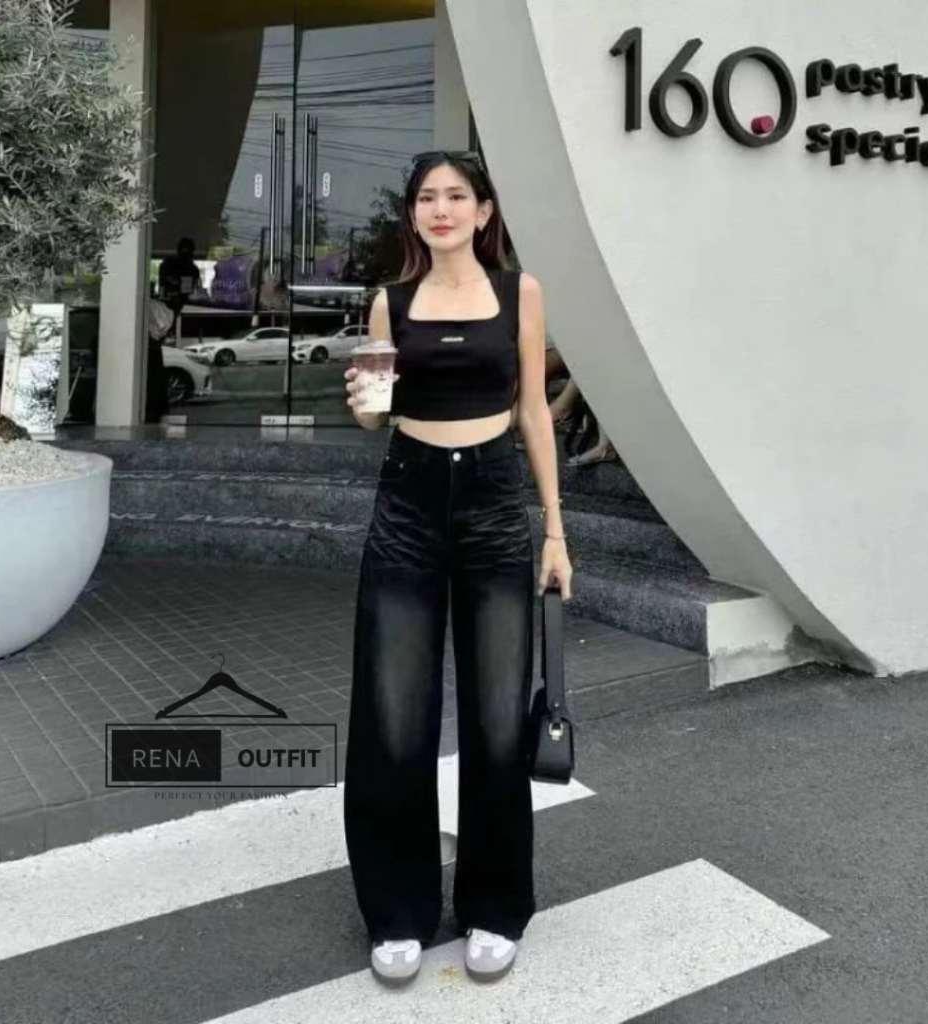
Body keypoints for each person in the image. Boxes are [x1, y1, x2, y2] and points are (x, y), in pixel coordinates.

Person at [342, 150, 572, 988]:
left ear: (483, 211)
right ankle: (398, 911)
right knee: (394, 717)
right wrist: (365, 395)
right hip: (407, 507)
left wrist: (554, 532)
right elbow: (373, 419)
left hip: (494, 507)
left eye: (456, 196)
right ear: (413, 214)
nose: (440, 209)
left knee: (498, 719)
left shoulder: (520, 293)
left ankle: (495, 906)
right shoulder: (390, 302)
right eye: (426, 198)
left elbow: (533, 413)